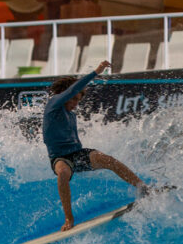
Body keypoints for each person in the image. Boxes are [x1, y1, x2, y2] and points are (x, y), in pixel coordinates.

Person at [43, 60, 151, 231]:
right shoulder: (53, 104)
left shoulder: (71, 115)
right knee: (63, 172)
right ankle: (69, 219)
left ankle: (143, 187)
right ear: (66, 94)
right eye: (75, 98)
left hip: (77, 153)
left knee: (108, 160)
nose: (76, 103)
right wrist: (96, 72)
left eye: (78, 100)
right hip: (60, 157)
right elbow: (72, 89)